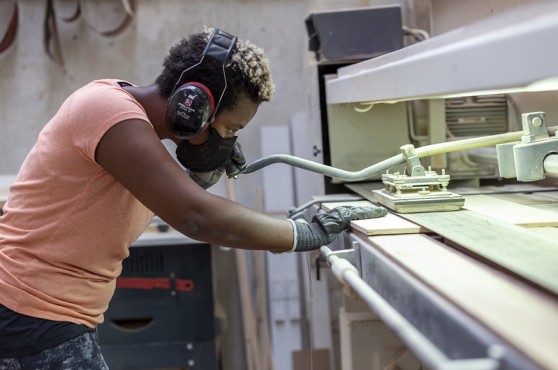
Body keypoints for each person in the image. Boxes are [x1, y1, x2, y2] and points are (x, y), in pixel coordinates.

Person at [0, 28, 387, 369]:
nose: (231, 140)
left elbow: (156, 201)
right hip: (29, 310)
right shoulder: (106, 111)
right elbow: (194, 217)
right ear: (194, 106)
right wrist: (300, 234)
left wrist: (200, 175)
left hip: (46, 314)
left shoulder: (130, 126)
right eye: (231, 128)